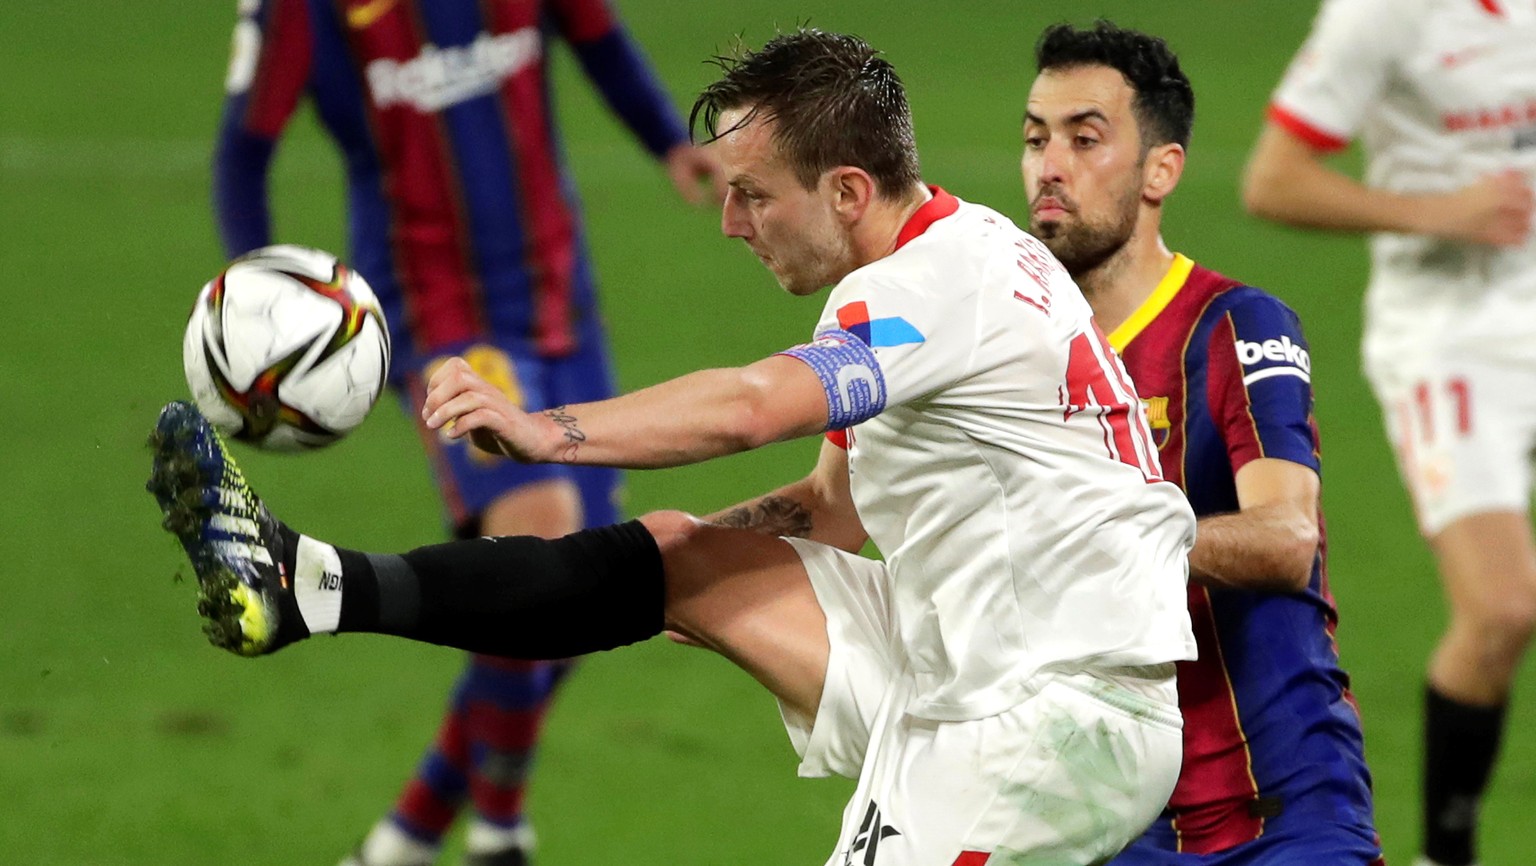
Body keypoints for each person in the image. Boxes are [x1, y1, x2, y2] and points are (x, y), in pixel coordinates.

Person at [154, 28, 1201, 866]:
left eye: (754, 194)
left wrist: (545, 430)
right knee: (673, 554)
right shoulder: (935, 263)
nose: (732, 223)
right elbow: (834, 506)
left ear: (844, 190)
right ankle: (311, 584)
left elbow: (752, 404)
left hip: (1063, 707)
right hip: (970, 646)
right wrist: (641, 575)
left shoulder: (930, 284)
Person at [211, 1, 723, 864]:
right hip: (442, 314)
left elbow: (596, 36)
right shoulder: (304, 11)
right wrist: (258, 301)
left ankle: (405, 838)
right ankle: (499, 833)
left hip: (558, 296)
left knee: (589, 588)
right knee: (543, 531)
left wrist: (668, 137)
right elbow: (243, 151)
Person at [1017, 20, 1387, 865]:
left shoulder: (1234, 327)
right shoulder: (1016, 357)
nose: (1050, 166)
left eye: (1085, 137)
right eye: (1037, 138)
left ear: (1161, 169)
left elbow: (1288, 538)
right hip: (1111, 819)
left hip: (1288, 806)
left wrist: (1095, 542)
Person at [1242, 2, 1536, 864]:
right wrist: (1443, 213)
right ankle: (1447, 852)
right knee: (1502, 608)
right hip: (1454, 337)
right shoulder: (1384, 15)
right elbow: (1273, 180)